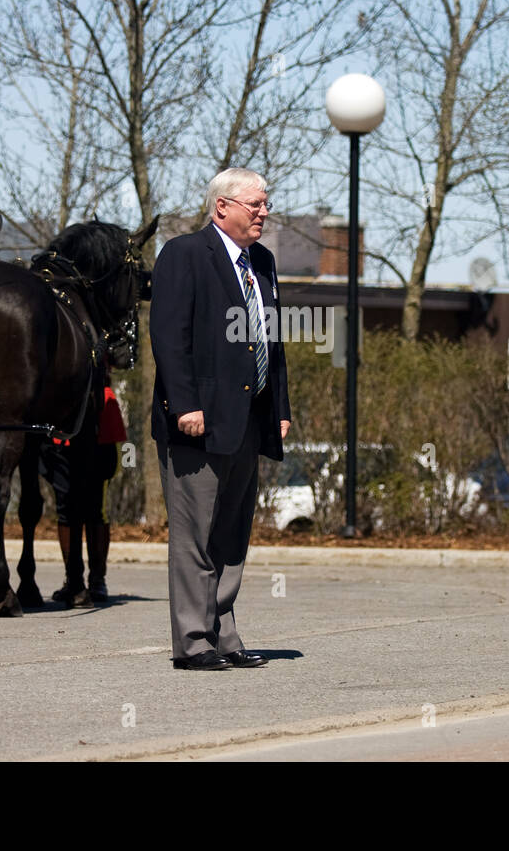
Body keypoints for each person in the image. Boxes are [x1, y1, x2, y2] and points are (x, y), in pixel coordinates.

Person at [150, 167, 291, 671]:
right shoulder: (184, 254)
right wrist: (185, 404)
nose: (263, 213)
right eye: (255, 204)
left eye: (266, 203)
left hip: (249, 421)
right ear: (222, 207)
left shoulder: (264, 262)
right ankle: (192, 643)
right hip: (199, 423)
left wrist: (280, 410)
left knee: (232, 534)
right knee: (195, 538)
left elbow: (273, 343)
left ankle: (224, 636)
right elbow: (169, 338)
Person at [43, 381, 125, 607]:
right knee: (65, 506)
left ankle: (97, 579)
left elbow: (124, 355)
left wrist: (102, 350)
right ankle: (73, 579)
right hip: (59, 411)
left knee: (96, 507)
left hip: (98, 408)